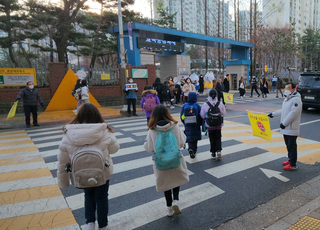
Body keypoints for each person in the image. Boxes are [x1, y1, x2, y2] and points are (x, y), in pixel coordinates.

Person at [57, 103, 120, 230]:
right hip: (103, 171)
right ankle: (103, 225)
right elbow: (114, 149)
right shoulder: (104, 131)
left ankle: (90, 223)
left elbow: (63, 161)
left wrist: (63, 182)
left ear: (79, 116)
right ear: (97, 115)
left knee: (88, 195)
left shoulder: (69, 134)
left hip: (81, 173)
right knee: (102, 197)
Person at [144, 105, 189, 217]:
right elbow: (182, 142)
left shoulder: (152, 130)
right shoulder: (174, 126)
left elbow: (149, 148)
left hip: (161, 162)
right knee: (176, 181)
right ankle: (176, 201)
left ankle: (169, 208)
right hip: (175, 159)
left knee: (166, 184)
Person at [268, 82, 302, 170]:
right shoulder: (287, 98)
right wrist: (273, 114)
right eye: (285, 88)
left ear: (294, 89)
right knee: (288, 145)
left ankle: (293, 164)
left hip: (291, 127)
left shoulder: (296, 100)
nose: (285, 90)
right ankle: (290, 159)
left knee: (292, 146)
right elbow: (284, 111)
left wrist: (284, 123)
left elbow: (293, 113)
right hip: (287, 127)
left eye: (288, 88)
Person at [200, 89, 226, 159]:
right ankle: (219, 151)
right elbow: (223, 113)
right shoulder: (220, 104)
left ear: (209, 95)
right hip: (218, 124)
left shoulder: (205, 104)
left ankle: (213, 153)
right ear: (216, 95)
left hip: (209, 125)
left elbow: (202, 115)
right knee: (218, 137)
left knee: (212, 138)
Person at [180, 92, 203, 159]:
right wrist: (200, 123)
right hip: (195, 125)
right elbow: (201, 115)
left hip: (187, 125)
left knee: (189, 138)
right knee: (195, 139)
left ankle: (190, 148)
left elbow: (182, 116)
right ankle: (194, 151)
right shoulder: (197, 105)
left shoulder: (185, 105)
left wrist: (184, 123)